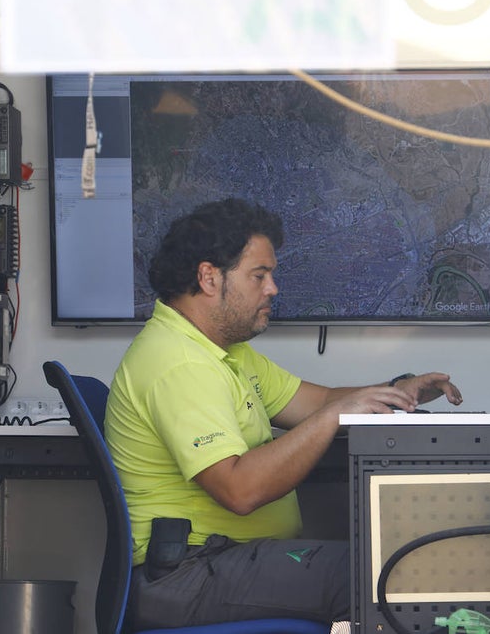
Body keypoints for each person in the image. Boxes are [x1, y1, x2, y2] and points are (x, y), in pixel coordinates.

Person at [104, 198, 462, 630]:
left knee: (387, 563)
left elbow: (320, 400)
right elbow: (240, 490)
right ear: (209, 277)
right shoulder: (179, 363)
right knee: (389, 573)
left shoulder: (222, 352)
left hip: (222, 559)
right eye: (259, 275)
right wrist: (334, 418)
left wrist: (397, 391)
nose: (273, 288)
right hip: (191, 573)